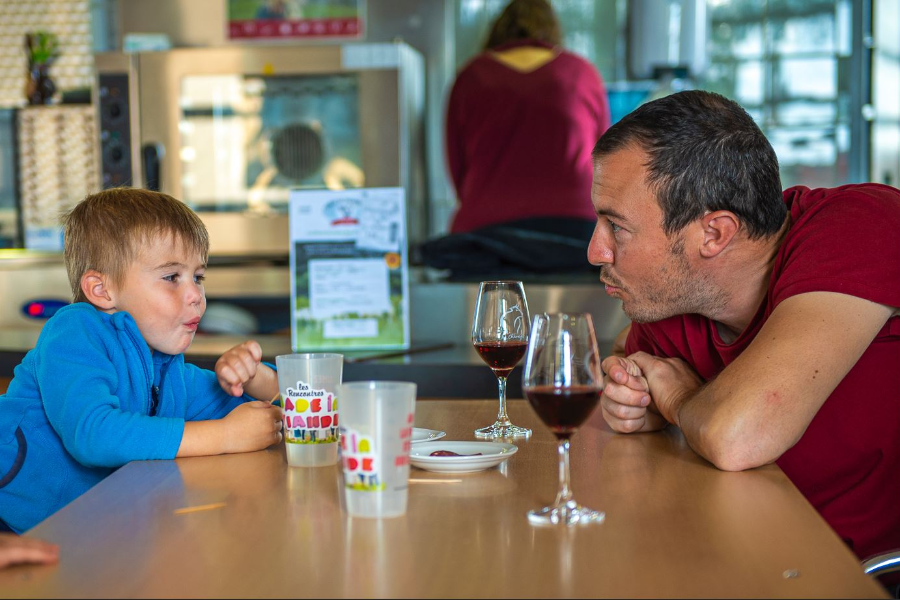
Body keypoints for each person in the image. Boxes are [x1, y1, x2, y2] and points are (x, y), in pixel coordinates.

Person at [590, 90, 900, 563]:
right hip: (751, 561)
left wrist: (676, 400)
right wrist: (636, 401)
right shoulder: (673, 300)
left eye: (617, 227)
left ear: (714, 233)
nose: (596, 251)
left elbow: (737, 436)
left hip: (867, 577)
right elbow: (633, 368)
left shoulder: (862, 225)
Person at [0, 188, 283, 534]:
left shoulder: (167, 366)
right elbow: (93, 433)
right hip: (11, 522)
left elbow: (260, 414)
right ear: (101, 290)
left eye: (198, 277)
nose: (196, 295)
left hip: (80, 535)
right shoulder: (73, 333)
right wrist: (224, 435)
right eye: (171, 277)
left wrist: (253, 376)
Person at [445, 0, 610, 234]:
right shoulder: (581, 73)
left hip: (486, 230)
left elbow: (456, 165)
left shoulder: (471, 76)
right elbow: (605, 157)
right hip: (577, 227)